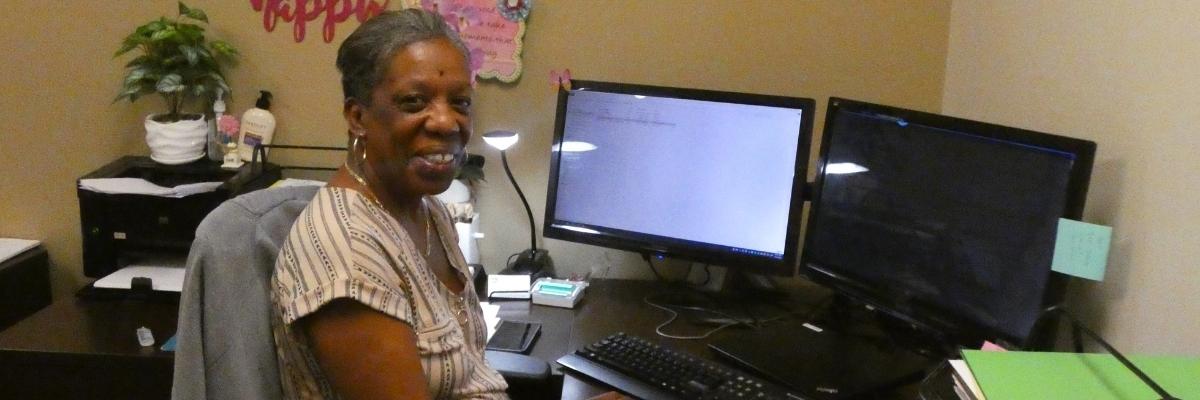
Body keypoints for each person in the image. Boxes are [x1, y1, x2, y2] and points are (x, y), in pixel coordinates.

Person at [269, 9, 508, 399]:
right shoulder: (347, 256)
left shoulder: (426, 210)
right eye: (415, 102)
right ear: (358, 116)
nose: (447, 123)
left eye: (460, 102)